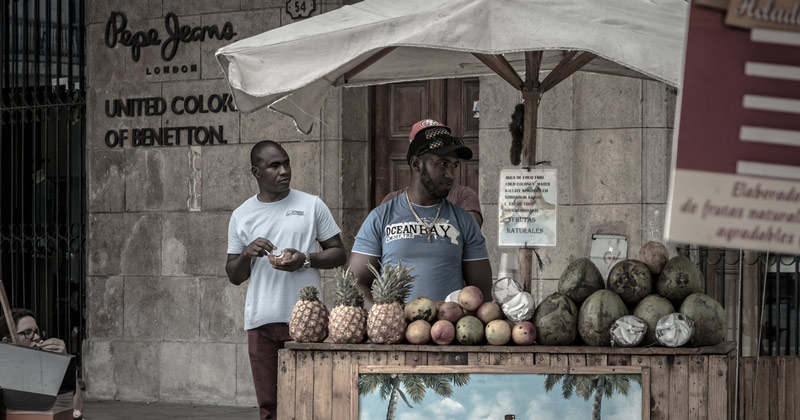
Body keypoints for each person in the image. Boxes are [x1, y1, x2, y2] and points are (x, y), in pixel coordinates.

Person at [226, 140, 347, 420]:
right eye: (274, 166)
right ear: (256, 172)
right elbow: (234, 275)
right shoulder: (241, 215)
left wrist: (304, 259)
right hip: (261, 322)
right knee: (269, 407)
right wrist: (247, 254)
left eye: (286, 163)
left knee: (311, 402)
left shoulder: (311, 205)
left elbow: (339, 253)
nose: (284, 171)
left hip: (308, 321)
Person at [349, 119, 492, 308]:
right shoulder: (381, 217)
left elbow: (482, 291)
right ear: (416, 164)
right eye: (442, 163)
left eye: (454, 165)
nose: (450, 174)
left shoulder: (464, 221)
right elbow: (355, 282)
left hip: (449, 330)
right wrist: (382, 316)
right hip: (394, 331)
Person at [0, 308, 84, 419]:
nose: (37, 337)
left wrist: (64, 362)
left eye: (36, 332)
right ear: (7, 342)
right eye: (28, 333)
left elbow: (75, 411)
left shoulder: (46, 369)